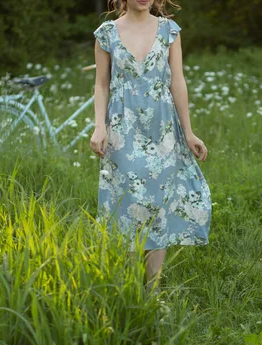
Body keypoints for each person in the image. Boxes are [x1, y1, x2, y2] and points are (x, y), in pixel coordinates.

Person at [90, 0, 212, 294]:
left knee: (158, 203)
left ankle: (152, 291)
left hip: (163, 127)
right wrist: (99, 125)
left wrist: (189, 131)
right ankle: (131, 288)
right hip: (123, 127)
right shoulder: (107, 33)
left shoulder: (169, 31)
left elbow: (178, 81)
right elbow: (101, 85)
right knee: (129, 201)